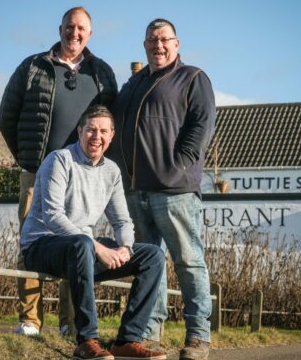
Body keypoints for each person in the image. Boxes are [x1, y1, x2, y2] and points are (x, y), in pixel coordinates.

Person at [0, 6, 117, 336]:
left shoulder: (101, 73)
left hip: (81, 177)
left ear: (89, 34)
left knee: (77, 244)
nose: (74, 33)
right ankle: (30, 320)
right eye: (69, 27)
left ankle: (70, 321)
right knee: (30, 243)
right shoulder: (33, 67)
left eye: (81, 28)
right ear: (60, 28)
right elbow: (6, 117)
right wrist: (28, 159)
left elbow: (109, 125)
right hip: (37, 174)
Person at [20, 105, 166, 360]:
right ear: (80, 131)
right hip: (43, 246)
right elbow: (52, 216)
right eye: (90, 130)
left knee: (152, 255)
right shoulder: (59, 160)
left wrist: (125, 248)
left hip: (83, 251)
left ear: (111, 136)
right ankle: (86, 340)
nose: (96, 137)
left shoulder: (111, 171)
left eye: (103, 131)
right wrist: (98, 248)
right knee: (83, 244)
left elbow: (122, 221)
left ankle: (127, 341)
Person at [111, 18, 216, 360]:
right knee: (148, 265)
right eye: (152, 40)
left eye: (165, 39)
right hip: (135, 191)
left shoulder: (193, 78)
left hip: (175, 191)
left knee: (188, 262)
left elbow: (201, 125)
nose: (158, 45)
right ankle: (150, 335)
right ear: (144, 45)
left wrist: (180, 163)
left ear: (177, 43)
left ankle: (198, 337)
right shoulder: (134, 83)